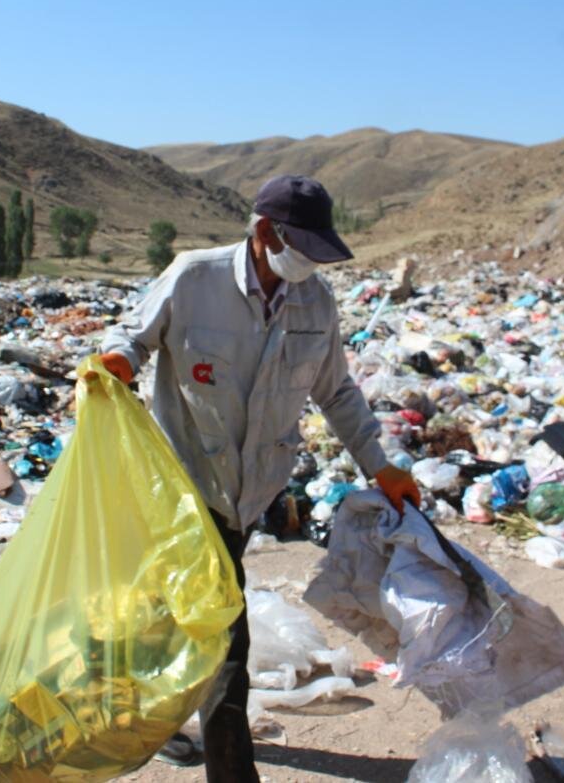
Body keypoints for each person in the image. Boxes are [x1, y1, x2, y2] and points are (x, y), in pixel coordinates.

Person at [99, 174, 420, 781]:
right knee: (227, 645)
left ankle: (152, 718)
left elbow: (337, 393)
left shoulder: (315, 302)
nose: (310, 262)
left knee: (178, 620)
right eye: (302, 245)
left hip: (250, 493)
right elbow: (131, 338)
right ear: (265, 232)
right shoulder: (194, 277)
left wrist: (382, 466)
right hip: (185, 487)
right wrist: (119, 360)